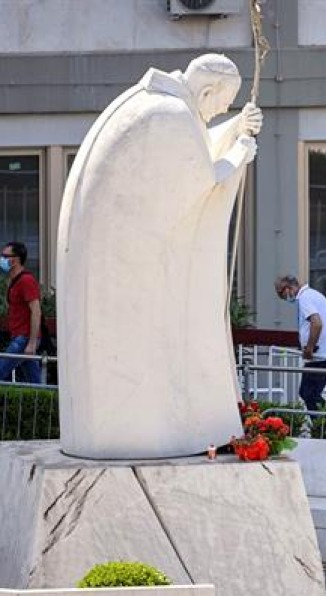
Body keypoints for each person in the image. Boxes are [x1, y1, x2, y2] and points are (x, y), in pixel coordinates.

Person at [58, 54, 262, 459]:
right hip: (132, 277)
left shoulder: (155, 105)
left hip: (121, 270)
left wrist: (236, 127)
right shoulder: (169, 117)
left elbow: (193, 151)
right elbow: (200, 181)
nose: (222, 110)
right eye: (224, 103)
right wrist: (240, 150)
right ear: (206, 91)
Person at [275, 275, 326, 412]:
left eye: (281, 295)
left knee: (309, 394)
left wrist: (309, 348)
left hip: (320, 355)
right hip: (323, 354)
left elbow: (316, 323)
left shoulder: (305, 298)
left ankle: (325, 423)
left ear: (288, 288)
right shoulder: (312, 295)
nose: (283, 299)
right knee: (307, 393)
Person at [0, 242, 41, 383]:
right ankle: (46, 403)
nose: (2, 259)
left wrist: (32, 342)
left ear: (16, 259)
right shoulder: (14, 281)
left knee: (1, 370)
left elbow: (36, 311)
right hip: (19, 337)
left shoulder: (26, 281)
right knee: (33, 381)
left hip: (23, 339)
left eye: (5, 256)